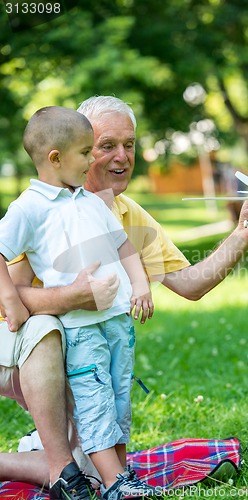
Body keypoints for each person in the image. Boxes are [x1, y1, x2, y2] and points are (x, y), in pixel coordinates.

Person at [0, 96, 248, 493]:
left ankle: (62, 451)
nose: (122, 156)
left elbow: (190, 284)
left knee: (99, 471)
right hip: (19, 347)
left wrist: (243, 233)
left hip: (74, 351)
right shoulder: (42, 210)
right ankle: (53, 458)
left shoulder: (124, 213)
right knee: (48, 326)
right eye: (105, 145)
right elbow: (9, 295)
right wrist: (71, 297)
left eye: (129, 145)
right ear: (64, 154)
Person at [0, 106, 156, 500]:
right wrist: (10, 301)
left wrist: (140, 285)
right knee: (94, 397)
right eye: (86, 153)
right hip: (80, 327)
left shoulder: (90, 201)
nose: (91, 162)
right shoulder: (29, 207)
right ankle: (114, 481)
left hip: (118, 320)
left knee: (119, 396)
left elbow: (123, 244)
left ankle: (119, 477)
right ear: (55, 158)